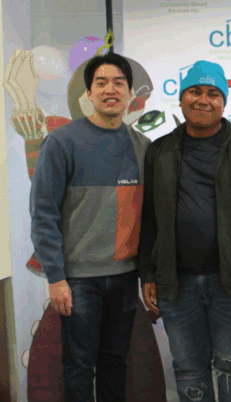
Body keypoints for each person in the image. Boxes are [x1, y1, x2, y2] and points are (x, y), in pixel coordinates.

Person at [138, 60, 231, 402]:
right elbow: (149, 218)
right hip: (176, 282)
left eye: (213, 93)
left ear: (224, 101)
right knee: (188, 369)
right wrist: (147, 274)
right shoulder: (160, 150)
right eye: (195, 92)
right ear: (182, 98)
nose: (204, 100)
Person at [30, 53, 150, 402]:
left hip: (126, 277)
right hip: (78, 280)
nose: (110, 90)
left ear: (130, 93)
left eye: (119, 83)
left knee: (115, 362)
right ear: (89, 93)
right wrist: (55, 277)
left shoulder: (142, 147)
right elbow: (43, 212)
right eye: (101, 82)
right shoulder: (62, 142)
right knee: (79, 366)